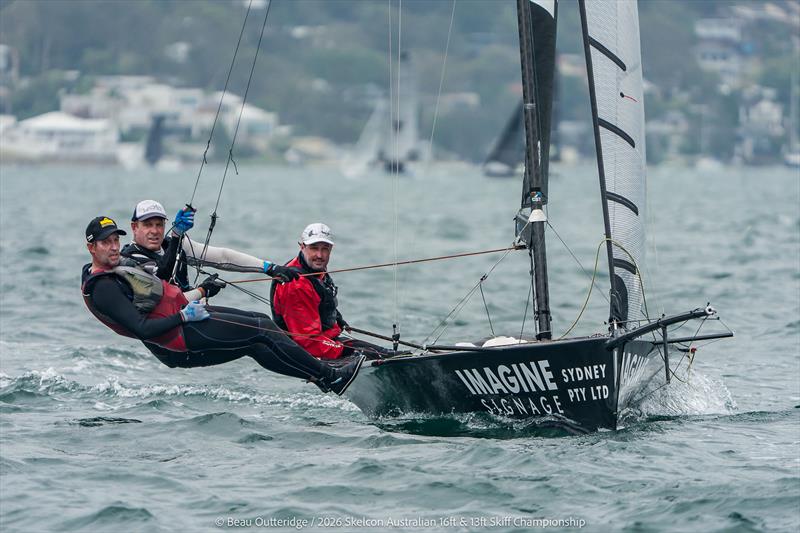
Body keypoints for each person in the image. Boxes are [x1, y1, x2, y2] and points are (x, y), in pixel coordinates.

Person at [80, 215, 363, 395]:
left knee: (256, 341)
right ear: (92, 248)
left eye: (116, 241)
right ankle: (330, 376)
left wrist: (178, 242)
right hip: (178, 338)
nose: (114, 247)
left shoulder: (114, 271)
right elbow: (143, 328)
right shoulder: (103, 287)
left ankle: (324, 378)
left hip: (183, 324)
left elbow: (159, 288)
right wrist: (184, 315)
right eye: (106, 243)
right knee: (262, 327)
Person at [270, 223, 392, 360]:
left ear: (331, 249)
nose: (319, 255)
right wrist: (347, 351)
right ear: (302, 247)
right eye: (314, 248)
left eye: (325, 249)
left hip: (326, 340)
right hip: (308, 352)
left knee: (387, 354)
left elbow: (320, 299)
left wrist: (337, 318)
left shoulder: (314, 268)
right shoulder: (296, 284)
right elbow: (308, 342)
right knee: (375, 356)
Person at [120, 199, 298, 293]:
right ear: (134, 227)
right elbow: (162, 275)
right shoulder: (131, 258)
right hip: (169, 328)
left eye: (159, 225)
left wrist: (269, 267)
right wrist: (203, 291)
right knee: (262, 330)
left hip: (190, 313)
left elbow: (222, 258)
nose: (154, 231)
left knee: (262, 322)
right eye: (148, 225)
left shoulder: (172, 244)